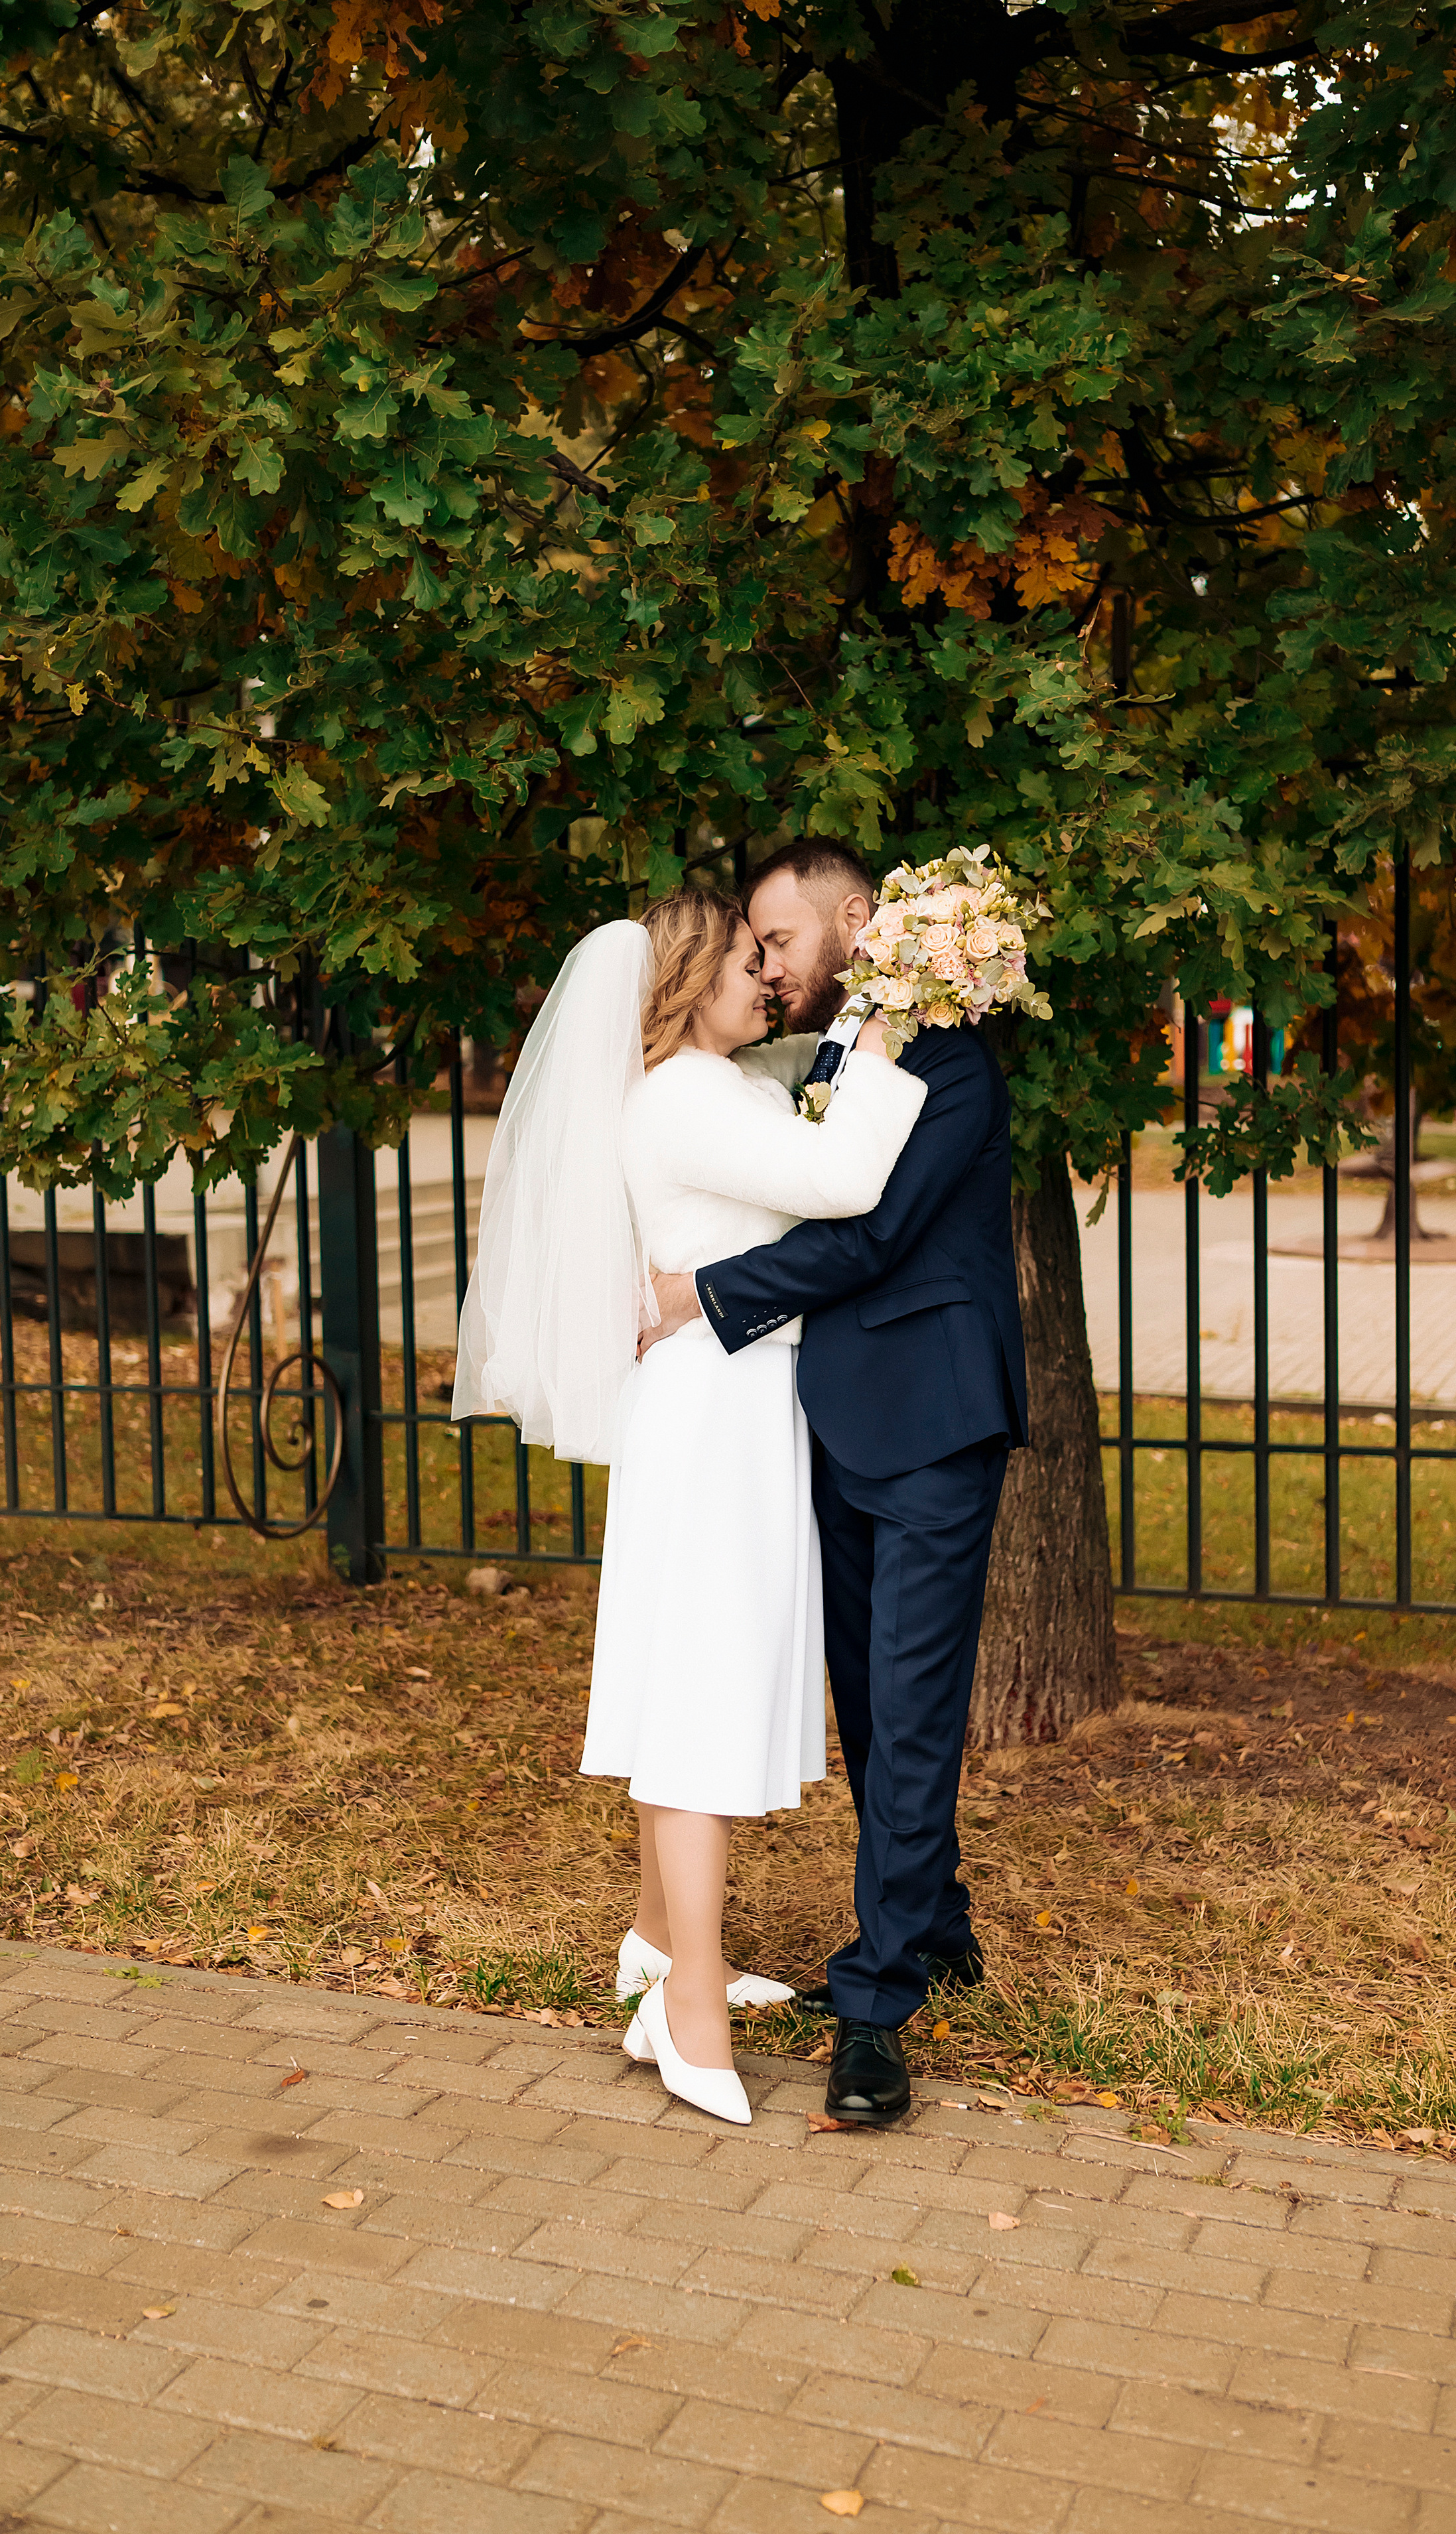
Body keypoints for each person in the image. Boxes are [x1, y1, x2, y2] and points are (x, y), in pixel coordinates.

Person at [452, 890, 925, 2126]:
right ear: (681, 984)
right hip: (713, 1423)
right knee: (698, 1697)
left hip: (738, 1409)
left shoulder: (716, 1084)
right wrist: (879, 1049)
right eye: (739, 961)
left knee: (707, 1672)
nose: (762, 976)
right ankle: (691, 2005)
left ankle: (658, 1950)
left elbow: (788, 1132)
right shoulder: (679, 1097)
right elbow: (841, 1174)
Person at [643, 838, 1027, 2128]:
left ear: (856, 922)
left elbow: (866, 1236)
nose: (763, 962)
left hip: (930, 1427)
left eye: (777, 938)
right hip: (836, 1426)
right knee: (874, 1708)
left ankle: (873, 2014)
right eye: (749, 945)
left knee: (910, 1715)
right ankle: (939, 1929)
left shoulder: (953, 1064)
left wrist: (705, 1294)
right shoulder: (829, 1058)